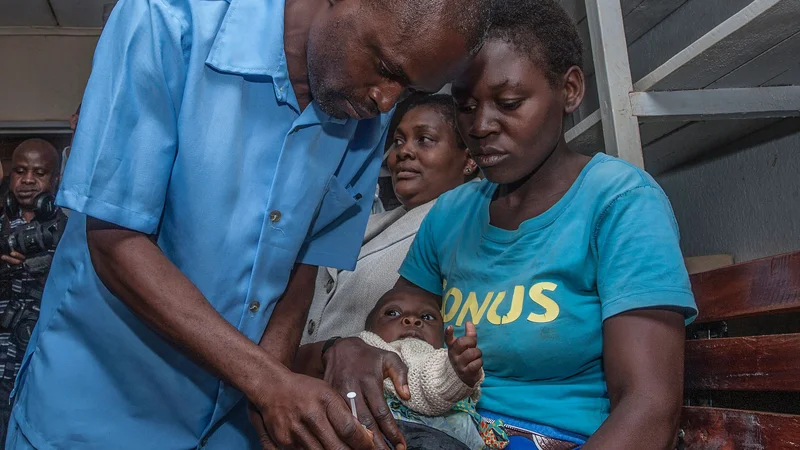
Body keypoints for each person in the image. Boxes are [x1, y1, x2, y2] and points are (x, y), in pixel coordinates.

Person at [4, 0, 492, 449]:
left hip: (227, 422)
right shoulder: (168, 19)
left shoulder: (363, 108)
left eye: (407, 89)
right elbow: (114, 239)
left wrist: (270, 390)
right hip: (99, 411)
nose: (387, 102)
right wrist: (265, 382)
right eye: (387, 70)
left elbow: (305, 262)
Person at [320, 1, 698, 449]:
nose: (479, 126)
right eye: (465, 106)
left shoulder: (619, 201)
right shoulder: (453, 213)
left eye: (509, 103)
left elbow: (650, 407)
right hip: (443, 431)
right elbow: (393, 327)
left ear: (571, 90)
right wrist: (352, 347)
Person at [299, 94, 478, 348]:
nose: (403, 151)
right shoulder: (367, 221)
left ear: (470, 159)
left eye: (424, 140)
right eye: (397, 141)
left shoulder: (469, 223)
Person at [358, 288, 507, 450]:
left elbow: (431, 378)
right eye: (393, 313)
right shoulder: (363, 350)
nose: (412, 320)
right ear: (370, 328)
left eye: (427, 317)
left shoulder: (439, 360)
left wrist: (455, 373)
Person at [0, 139, 66, 445]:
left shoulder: (68, 230)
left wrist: (46, 268)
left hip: (43, 356)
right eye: (20, 171)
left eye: (39, 173)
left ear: (55, 180)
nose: (27, 180)